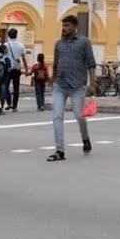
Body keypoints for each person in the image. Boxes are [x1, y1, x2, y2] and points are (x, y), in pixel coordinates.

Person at [47, 15, 96, 162]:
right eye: (63, 25)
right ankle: (59, 150)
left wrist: (92, 84)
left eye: (67, 25)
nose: (64, 28)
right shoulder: (59, 44)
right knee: (57, 115)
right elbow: (56, 62)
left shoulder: (84, 42)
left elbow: (91, 64)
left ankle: (85, 138)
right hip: (60, 85)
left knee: (79, 115)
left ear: (75, 27)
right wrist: (53, 78)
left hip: (77, 85)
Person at [3, 28, 30, 111]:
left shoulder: (6, 45)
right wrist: (26, 69)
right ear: (16, 35)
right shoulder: (21, 45)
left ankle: (9, 102)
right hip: (17, 68)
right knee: (16, 87)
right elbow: (24, 58)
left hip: (8, 68)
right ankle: (15, 106)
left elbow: (3, 56)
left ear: (8, 35)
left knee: (6, 86)